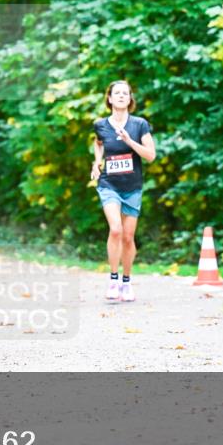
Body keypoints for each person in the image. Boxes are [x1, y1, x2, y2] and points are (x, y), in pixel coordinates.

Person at [91, 80, 156, 302]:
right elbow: (99, 143)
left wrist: (130, 142)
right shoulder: (100, 125)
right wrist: (96, 162)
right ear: (109, 98)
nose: (120, 96)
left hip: (132, 187)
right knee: (116, 229)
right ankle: (113, 279)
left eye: (125, 93)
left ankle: (126, 282)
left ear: (130, 99)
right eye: (116, 93)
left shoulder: (139, 125)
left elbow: (150, 155)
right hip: (109, 184)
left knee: (128, 237)